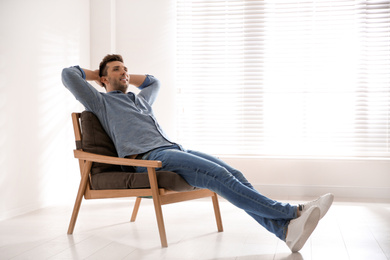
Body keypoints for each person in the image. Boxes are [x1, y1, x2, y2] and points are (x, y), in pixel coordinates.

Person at [61, 54, 334, 252]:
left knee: (233, 173)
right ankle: (292, 212)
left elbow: (154, 82)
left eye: (126, 69)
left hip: (173, 149)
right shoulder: (101, 102)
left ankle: (284, 231)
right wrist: (99, 76)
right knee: (217, 175)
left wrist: (123, 76)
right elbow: (68, 74)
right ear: (104, 78)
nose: (125, 73)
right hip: (148, 159)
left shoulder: (139, 99)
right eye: (117, 70)